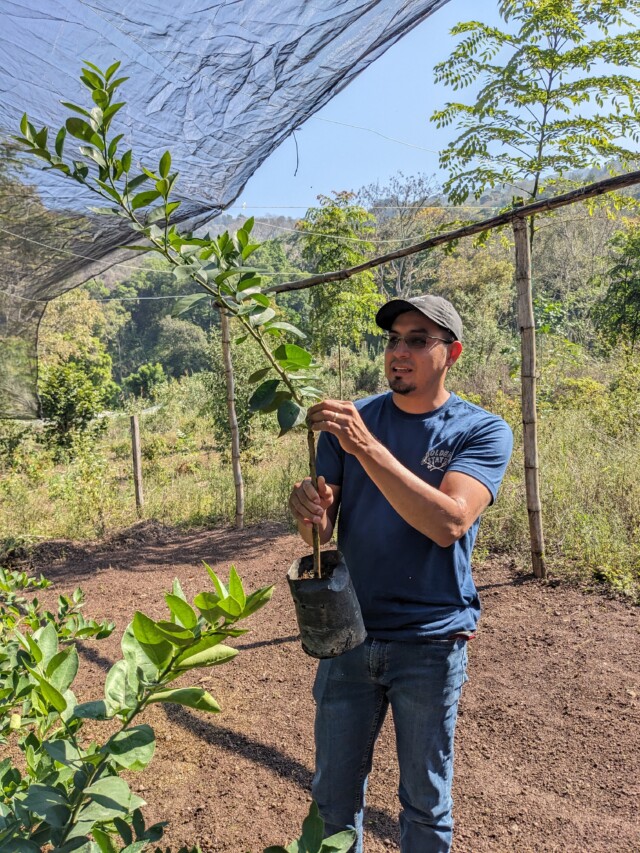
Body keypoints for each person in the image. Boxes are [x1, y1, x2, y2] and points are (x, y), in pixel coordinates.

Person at [288, 294, 513, 853]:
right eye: (393, 340)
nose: (399, 352)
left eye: (418, 340)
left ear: (451, 353)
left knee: (425, 805)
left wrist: (365, 446)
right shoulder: (350, 426)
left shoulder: (480, 431)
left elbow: (449, 522)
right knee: (333, 801)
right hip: (349, 637)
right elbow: (321, 534)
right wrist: (308, 514)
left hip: (431, 642)